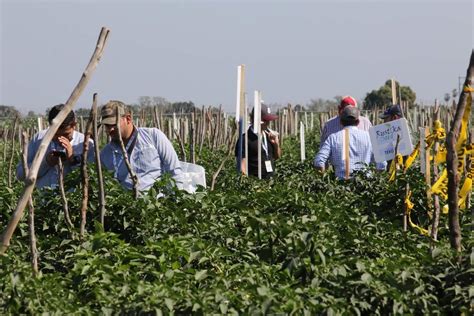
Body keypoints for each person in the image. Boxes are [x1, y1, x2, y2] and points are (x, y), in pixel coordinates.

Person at [99, 100, 182, 192]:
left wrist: (176, 200)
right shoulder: (105, 154)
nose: (110, 129)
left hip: (158, 202)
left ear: (128, 119)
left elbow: (174, 172)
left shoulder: (153, 136)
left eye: (114, 124)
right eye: (107, 125)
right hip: (125, 204)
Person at [16, 104, 94, 188]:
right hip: (42, 199)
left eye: (65, 134)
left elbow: (91, 179)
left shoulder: (86, 144)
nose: (60, 138)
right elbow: (20, 174)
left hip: (71, 200)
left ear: (74, 125)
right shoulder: (39, 138)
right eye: (55, 134)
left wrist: (72, 159)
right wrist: (46, 162)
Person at [314, 107, 386, 180]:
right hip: (365, 183)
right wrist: (374, 180)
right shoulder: (370, 137)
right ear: (358, 122)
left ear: (341, 122)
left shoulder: (333, 138)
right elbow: (382, 164)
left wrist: (323, 179)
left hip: (341, 186)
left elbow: (318, 161)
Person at [235, 104, 282, 179]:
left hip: (270, 180)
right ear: (256, 120)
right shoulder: (245, 139)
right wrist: (248, 184)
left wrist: (276, 144)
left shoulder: (268, 135)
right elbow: (242, 165)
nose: (268, 123)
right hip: (255, 182)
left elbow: (277, 156)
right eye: (265, 120)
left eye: (268, 121)